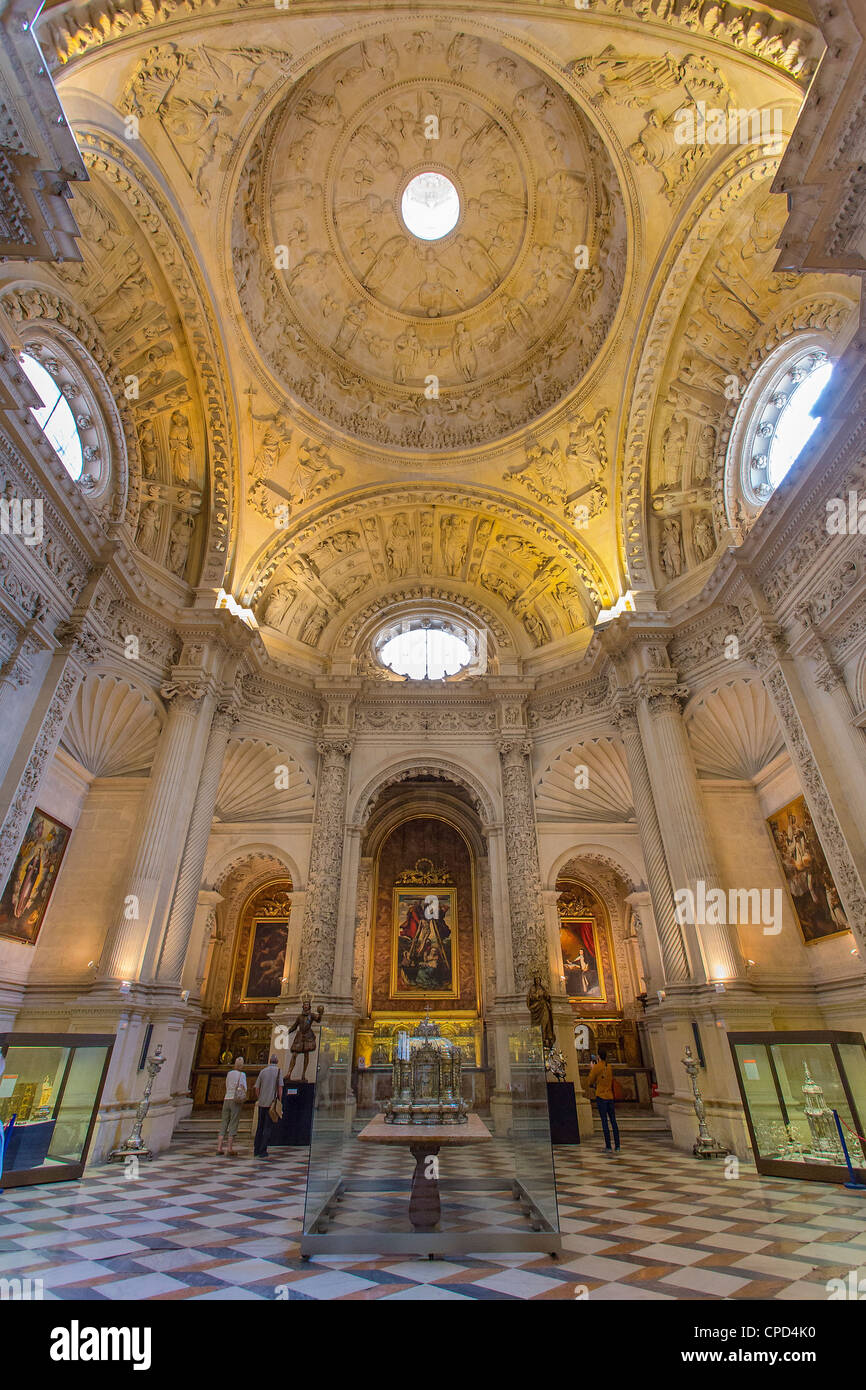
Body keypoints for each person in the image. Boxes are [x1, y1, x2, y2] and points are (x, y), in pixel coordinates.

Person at [587, 1047, 620, 1153]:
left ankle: (608, 1146)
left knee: (604, 1121)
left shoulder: (597, 1067)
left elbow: (590, 1081)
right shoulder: (609, 1066)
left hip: (601, 1096)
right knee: (613, 1121)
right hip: (610, 1096)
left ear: (598, 1056)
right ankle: (618, 1145)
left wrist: (592, 1068)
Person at [253, 1052, 283, 1158]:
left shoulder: (263, 1071)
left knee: (260, 1126)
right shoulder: (278, 1072)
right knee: (267, 1127)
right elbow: (280, 1089)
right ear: (277, 1062)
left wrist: (259, 1098)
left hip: (262, 1103)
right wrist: (280, 1100)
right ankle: (263, 1150)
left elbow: (257, 1088)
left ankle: (256, 1149)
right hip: (271, 1104)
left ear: (269, 1061)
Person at [217, 1055, 247, 1157]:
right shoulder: (242, 1075)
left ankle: (219, 1147)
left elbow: (226, 1085)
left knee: (224, 1122)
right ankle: (229, 1148)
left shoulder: (229, 1074)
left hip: (227, 1098)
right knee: (234, 1122)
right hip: (235, 1100)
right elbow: (243, 1087)